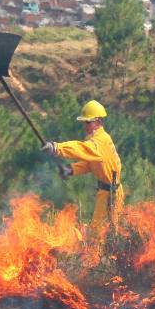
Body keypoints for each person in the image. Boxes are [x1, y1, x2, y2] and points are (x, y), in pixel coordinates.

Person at [41, 100, 124, 240]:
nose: (84, 125)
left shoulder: (100, 141)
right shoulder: (96, 140)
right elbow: (91, 164)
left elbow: (80, 148)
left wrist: (57, 148)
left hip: (112, 194)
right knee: (98, 233)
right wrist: (71, 169)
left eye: (87, 122)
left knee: (107, 234)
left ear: (97, 121)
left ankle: (109, 259)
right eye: (84, 122)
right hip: (105, 192)